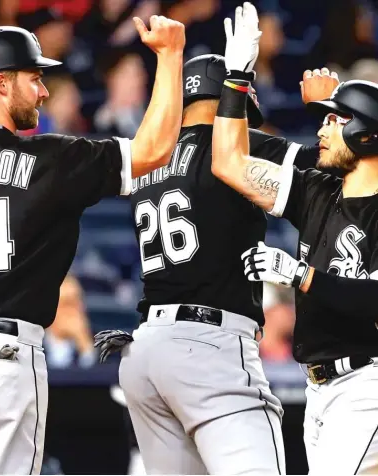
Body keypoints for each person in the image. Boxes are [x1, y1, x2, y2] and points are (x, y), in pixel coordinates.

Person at [114, 17, 338, 476]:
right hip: (208, 344)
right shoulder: (236, 145)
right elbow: (333, 164)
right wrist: (325, 109)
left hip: (145, 351)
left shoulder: (150, 158)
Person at [0, 17, 185, 475]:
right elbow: (153, 150)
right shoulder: (52, 159)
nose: (43, 91)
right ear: (1, 83)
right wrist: (169, 56)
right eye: (34, 78)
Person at [211, 3, 378, 474]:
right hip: (319, 386)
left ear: (368, 134)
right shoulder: (316, 188)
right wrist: (238, 77)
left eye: (335, 120)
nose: (322, 127)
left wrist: (300, 275)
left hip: (369, 381)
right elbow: (229, 163)